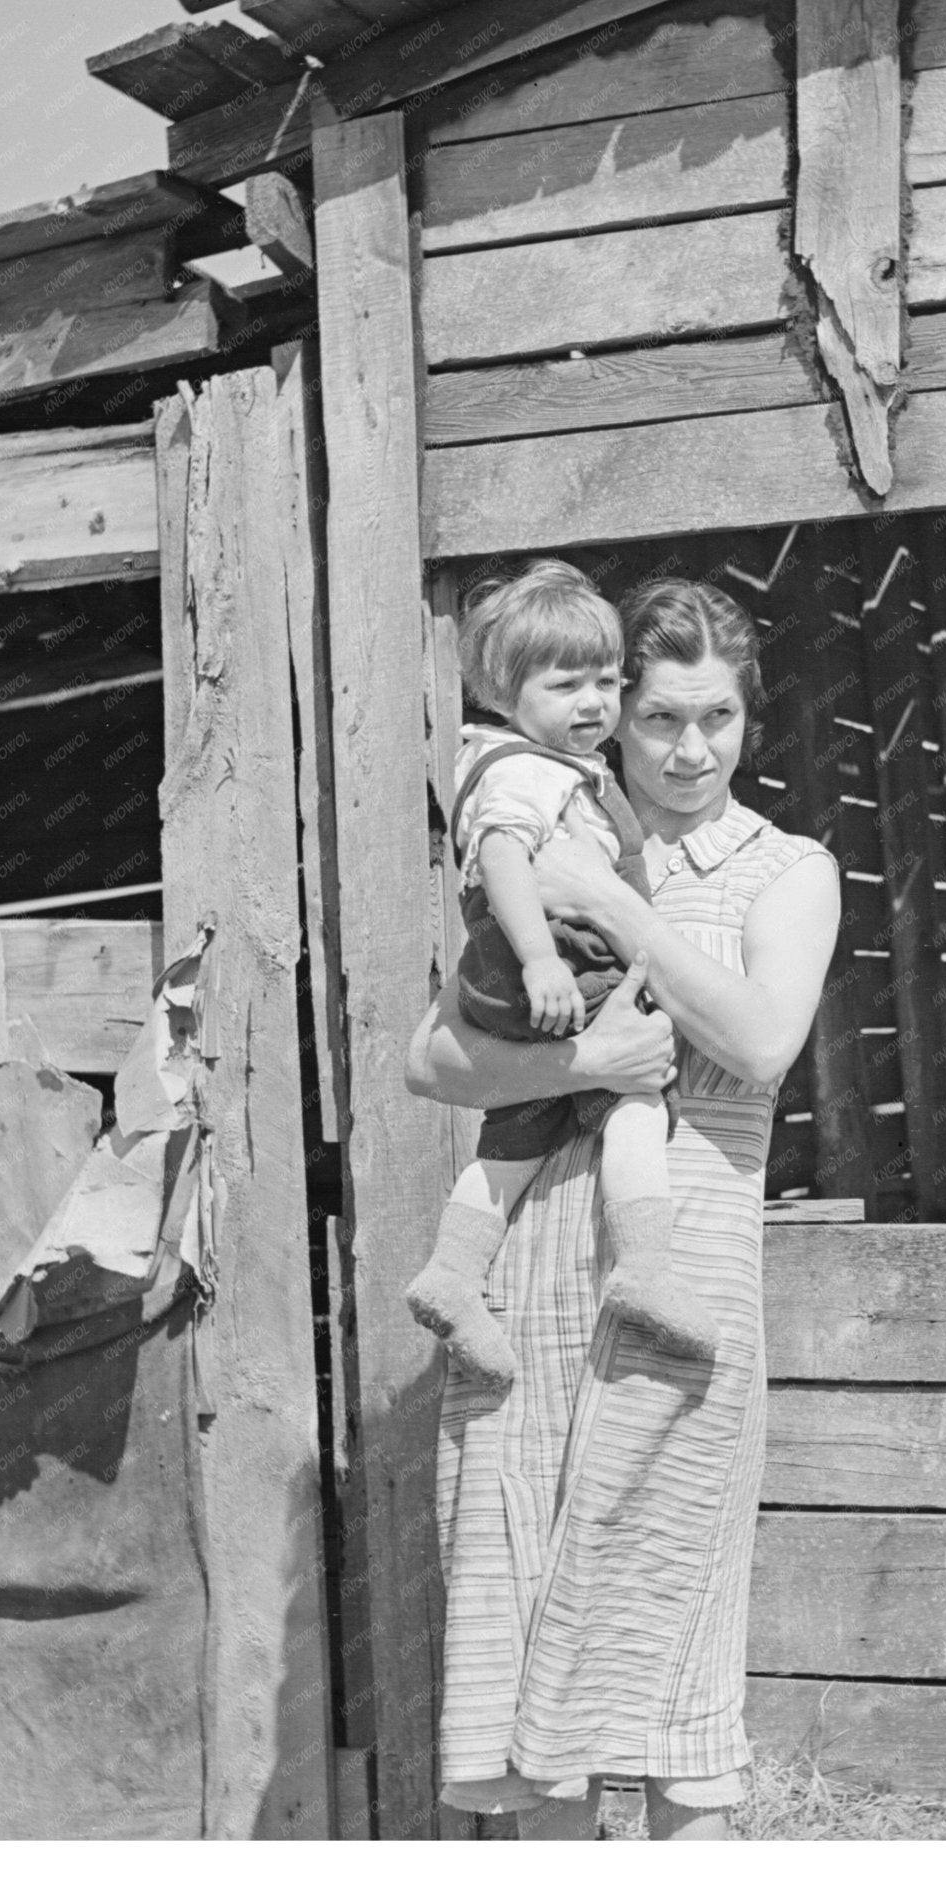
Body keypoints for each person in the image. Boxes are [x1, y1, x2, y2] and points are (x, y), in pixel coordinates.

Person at [405, 576, 842, 1842]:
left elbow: (759, 1043)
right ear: (613, 714)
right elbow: (428, 1059)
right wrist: (578, 1066)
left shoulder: (784, 869)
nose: (687, 748)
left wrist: (608, 903)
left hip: (679, 1269)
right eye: (658, 718)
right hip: (531, 1269)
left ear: (747, 715)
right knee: (530, 1649)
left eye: (715, 717)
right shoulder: (542, 825)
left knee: (668, 1656)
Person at [404, 560, 719, 1386]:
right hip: (554, 965)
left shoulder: (532, 762)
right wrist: (542, 958)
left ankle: (452, 1273)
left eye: (608, 682)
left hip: (526, 973)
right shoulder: (523, 770)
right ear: (506, 695)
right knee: (638, 1099)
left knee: (518, 1130)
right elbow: (504, 852)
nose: (593, 704)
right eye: (566, 684)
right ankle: (645, 1266)